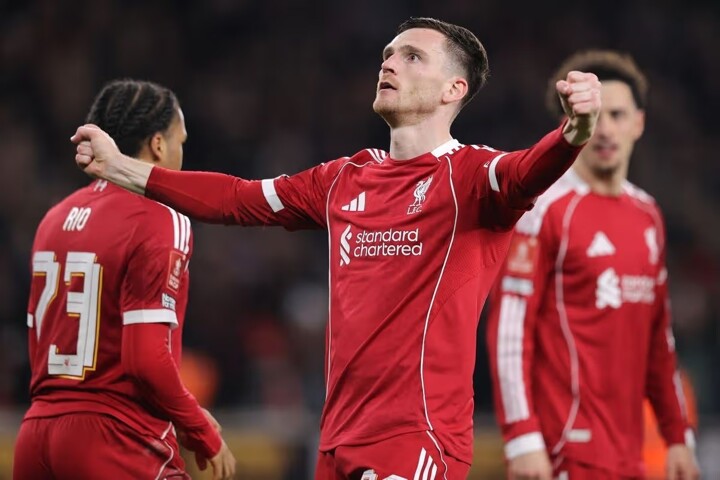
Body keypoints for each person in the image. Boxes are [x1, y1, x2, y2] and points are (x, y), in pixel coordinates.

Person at [71, 18, 601, 479]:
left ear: (453, 89)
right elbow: (237, 199)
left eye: (412, 56)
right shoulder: (344, 179)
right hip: (335, 441)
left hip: (417, 439)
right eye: (388, 54)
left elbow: (530, 170)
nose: (389, 63)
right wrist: (120, 167)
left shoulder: (471, 178)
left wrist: (574, 132)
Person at [485, 50, 700, 480]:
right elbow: (510, 330)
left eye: (617, 115)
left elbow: (659, 339)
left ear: (639, 123)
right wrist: (522, 437)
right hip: (560, 450)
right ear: (569, 124)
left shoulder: (648, 215)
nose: (605, 130)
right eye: (594, 117)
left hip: (630, 455)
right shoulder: (541, 210)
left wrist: (678, 436)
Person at [14, 79, 236, 480]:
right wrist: (200, 428)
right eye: (180, 141)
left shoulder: (53, 219)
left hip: (36, 435)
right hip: (116, 440)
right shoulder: (160, 216)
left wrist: (182, 412)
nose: (182, 153)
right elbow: (145, 358)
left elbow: (38, 341)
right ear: (157, 145)